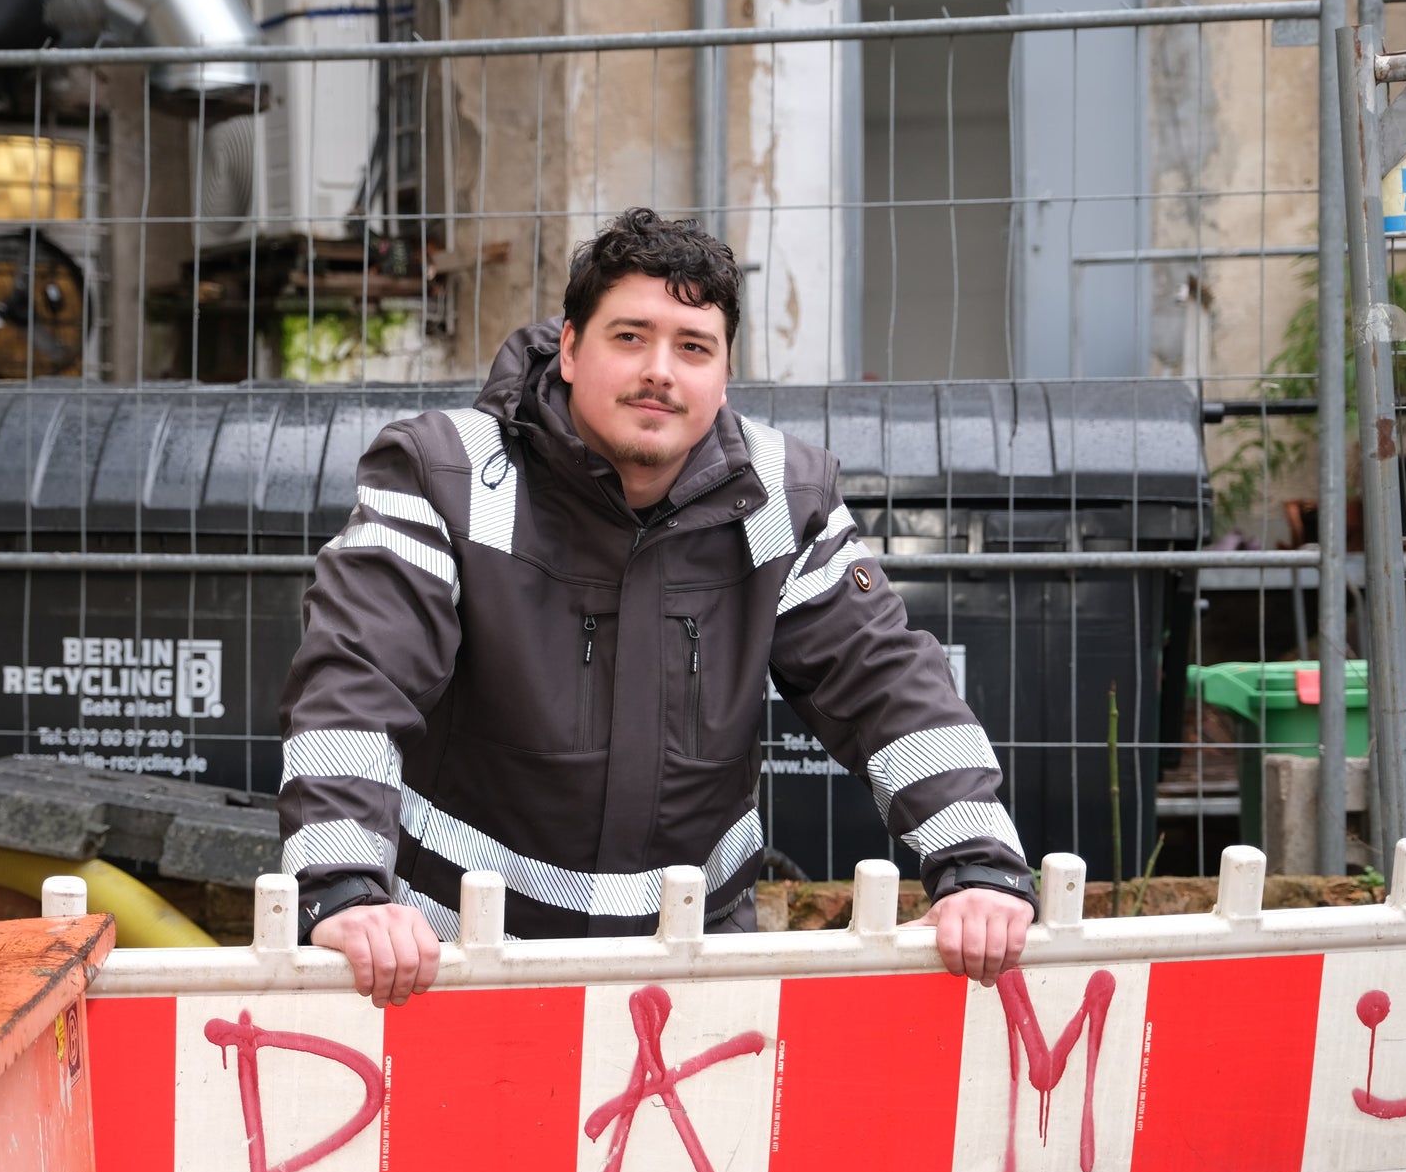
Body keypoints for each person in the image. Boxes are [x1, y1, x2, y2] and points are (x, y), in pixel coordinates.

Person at [276, 208, 1035, 1007]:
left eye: (693, 346)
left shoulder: (781, 493)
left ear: (724, 372)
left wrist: (975, 861)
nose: (660, 371)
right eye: (630, 336)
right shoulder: (445, 473)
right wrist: (344, 888)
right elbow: (356, 679)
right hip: (458, 966)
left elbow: (883, 681)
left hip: (694, 972)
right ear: (570, 348)